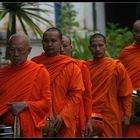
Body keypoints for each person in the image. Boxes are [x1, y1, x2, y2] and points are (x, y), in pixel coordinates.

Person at [31, 27, 84, 137]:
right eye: (46, 41)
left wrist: (63, 115)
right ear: (42, 42)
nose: (49, 44)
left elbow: (76, 94)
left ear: (60, 43)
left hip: (63, 120)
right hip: (39, 119)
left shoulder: (71, 66)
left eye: (53, 41)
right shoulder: (34, 64)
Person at [0, 33, 52, 137]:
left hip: (29, 128)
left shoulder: (39, 71)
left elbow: (46, 104)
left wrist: (26, 105)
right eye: (12, 49)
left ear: (29, 50)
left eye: (20, 50)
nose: (15, 54)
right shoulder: (2, 74)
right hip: (4, 129)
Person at [86, 33, 133, 137]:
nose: (97, 49)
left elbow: (125, 93)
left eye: (100, 45)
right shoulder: (85, 67)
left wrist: (127, 115)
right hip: (90, 114)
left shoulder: (116, 67)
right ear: (89, 48)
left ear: (106, 46)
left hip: (110, 114)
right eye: (94, 46)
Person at [60, 35, 93, 137]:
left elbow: (87, 94)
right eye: (59, 46)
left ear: (71, 47)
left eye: (65, 46)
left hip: (76, 113)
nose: (61, 49)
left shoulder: (80, 66)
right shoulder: (49, 65)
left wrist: (88, 119)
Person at [119, 19, 140, 137]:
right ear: (133, 33)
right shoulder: (126, 53)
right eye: (137, 32)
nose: (139, 35)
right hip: (131, 100)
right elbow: (120, 78)